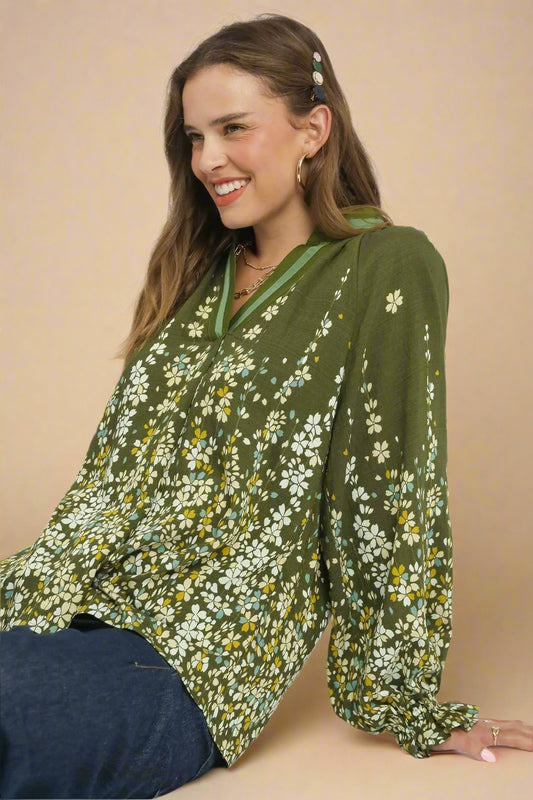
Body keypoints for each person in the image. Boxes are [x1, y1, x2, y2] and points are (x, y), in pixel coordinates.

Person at [1, 11, 531, 799]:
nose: (207, 159)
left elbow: (388, 493)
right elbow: (110, 480)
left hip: (182, 661)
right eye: (192, 137)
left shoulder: (383, 266)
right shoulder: (192, 279)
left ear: (312, 129)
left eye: (232, 129)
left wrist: (402, 697)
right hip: (48, 607)